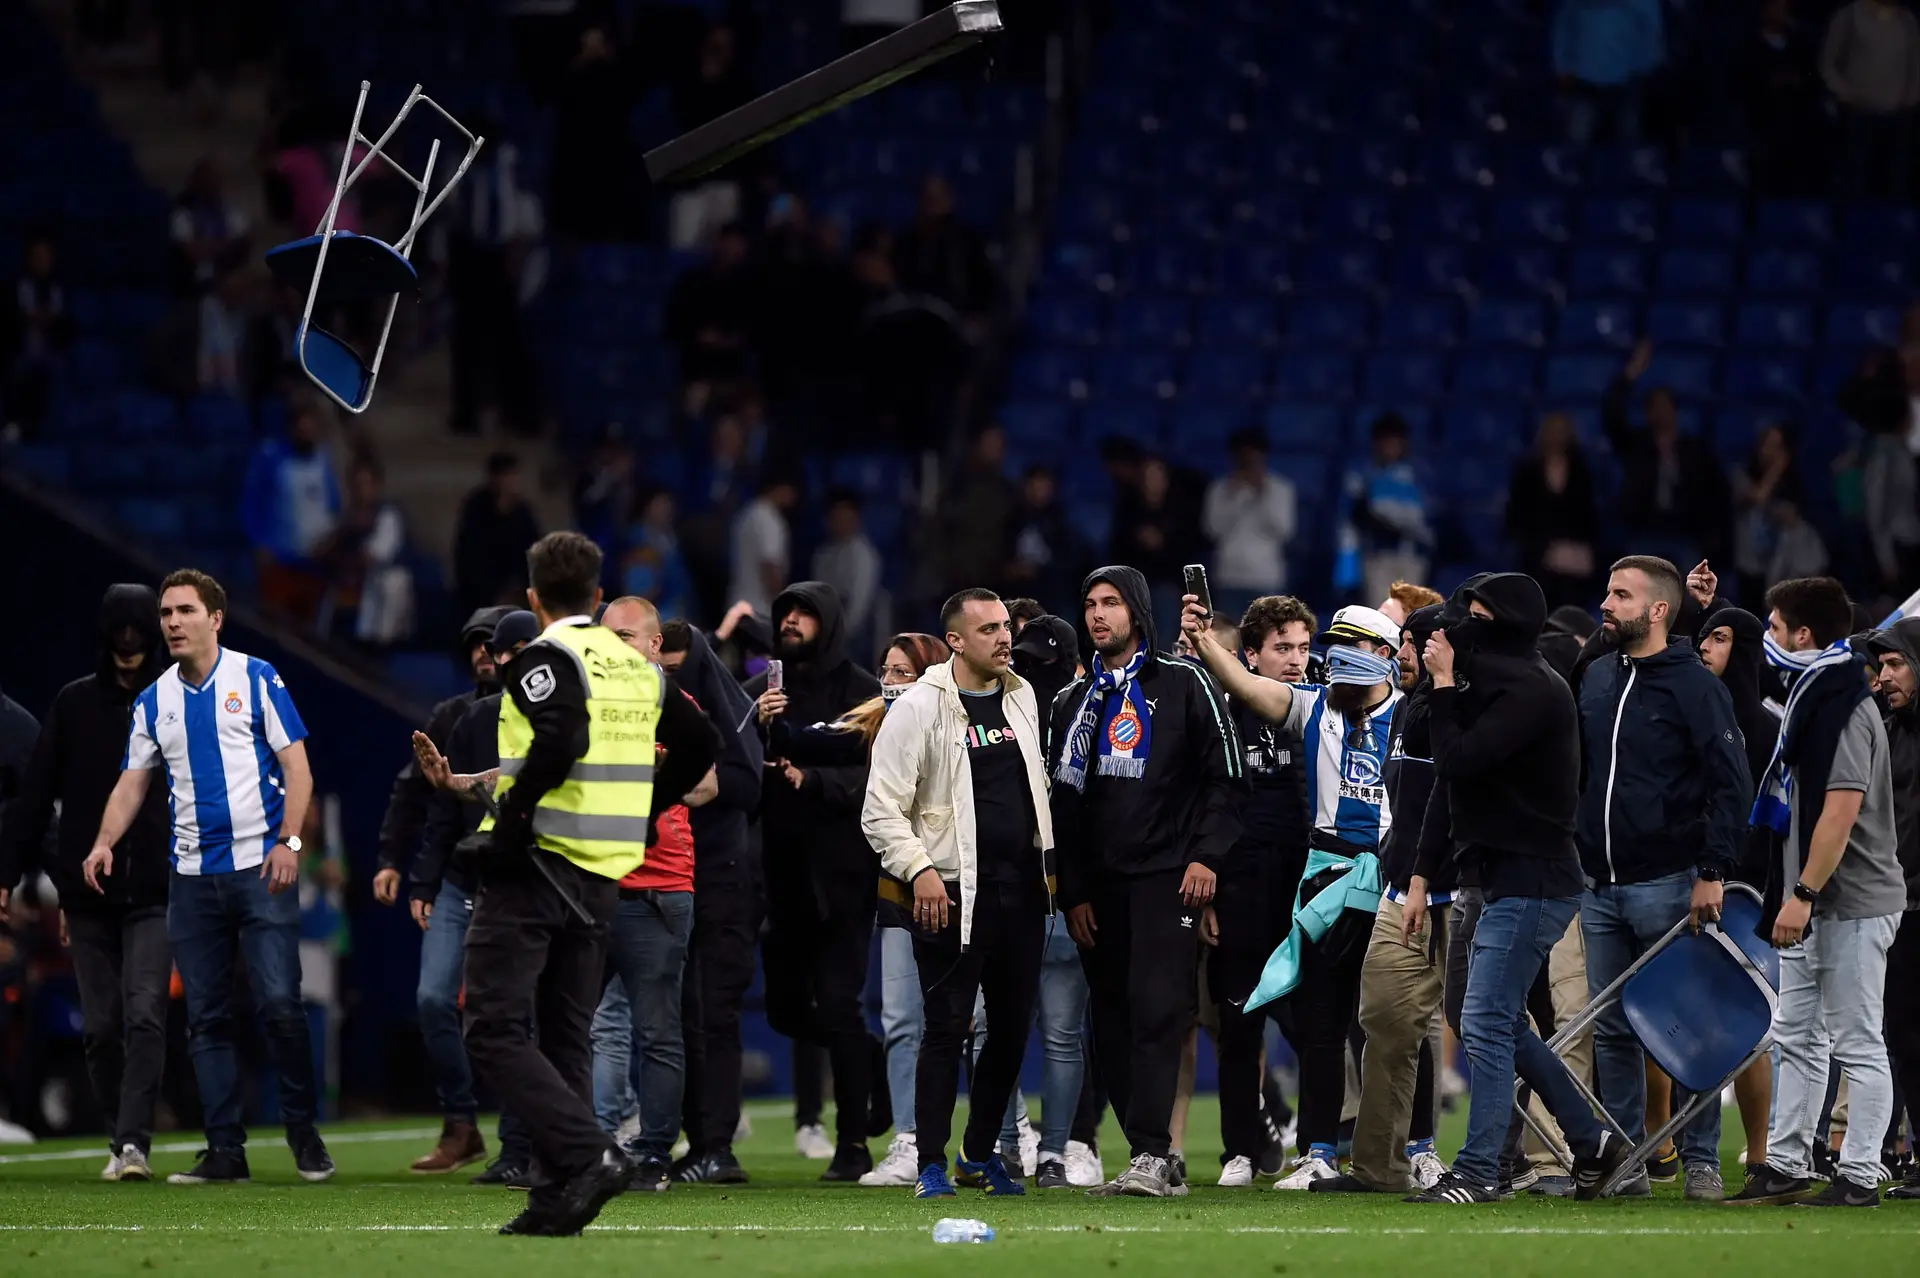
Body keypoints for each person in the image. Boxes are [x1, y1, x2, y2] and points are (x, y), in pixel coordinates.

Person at [451, 532, 719, 1235]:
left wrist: (509, 822)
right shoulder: (636, 668)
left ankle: (588, 1153)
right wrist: (649, 806)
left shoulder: (547, 656)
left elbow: (562, 732)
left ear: (533, 598)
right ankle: (556, 1192)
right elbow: (702, 743)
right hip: (605, 873)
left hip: (540, 863)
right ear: (599, 597)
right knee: (566, 1035)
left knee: (491, 1027)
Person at [83, 569, 333, 1185]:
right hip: (191, 880)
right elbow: (132, 782)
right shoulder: (154, 700)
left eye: (185, 611)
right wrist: (102, 842)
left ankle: (303, 1132)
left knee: (279, 1004)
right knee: (206, 1017)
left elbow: (298, 769)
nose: (171, 622)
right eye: (166, 612)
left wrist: (290, 842)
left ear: (215, 618)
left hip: (261, 868)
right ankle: (226, 1151)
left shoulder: (257, 677)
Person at [1404, 573, 1630, 1204]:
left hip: (1533, 877)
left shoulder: (1533, 688)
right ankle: (1594, 1144)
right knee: (1505, 1023)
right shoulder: (1493, 679)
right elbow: (1430, 747)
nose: (1457, 628)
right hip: (1500, 877)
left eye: (1473, 616)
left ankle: (1480, 1171)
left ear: (1502, 623)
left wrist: (1447, 683)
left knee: (1483, 1020)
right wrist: (1440, 686)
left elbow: (1457, 762)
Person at [1185, 601, 1402, 1189]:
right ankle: (1280, 1150)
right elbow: (1237, 691)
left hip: (1359, 881)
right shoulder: (1295, 710)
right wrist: (1205, 642)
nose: (1309, 659)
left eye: (1309, 647)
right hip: (1287, 884)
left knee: (1375, 1024)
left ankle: (1398, 1147)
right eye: (1289, 647)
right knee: (1278, 1020)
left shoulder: (1404, 715)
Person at [1054, 566, 1241, 1198]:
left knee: (1159, 1009)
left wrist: (1206, 858)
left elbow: (1226, 777)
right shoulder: (1072, 702)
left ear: (1137, 610)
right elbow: (1063, 808)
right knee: (1109, 1020)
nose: (1098, 615)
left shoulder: (1186, 682)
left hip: (1169, 878)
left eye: (1111, 603)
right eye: (1089, 604)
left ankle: (1156, 1152)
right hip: (1099, 890)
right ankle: (1145, 1154)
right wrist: (1073, 889)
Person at [863, 590, 1055, 1198]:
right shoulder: (918, 708)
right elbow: (879, 810)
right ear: (955, 641)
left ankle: (978, 1154)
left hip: (1022, 892)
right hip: (948, 894)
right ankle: (929, 1164)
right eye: (990, 629)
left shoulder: (1022, 695)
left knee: (1009, 1031)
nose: (1005, 638)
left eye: (1005, 626)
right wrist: (918, 868)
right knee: (946, 1029)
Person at [1574, 556, 1754, 1201]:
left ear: (1656, 610)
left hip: (1671, 881)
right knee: (1614, 1031)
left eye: (1621, 595)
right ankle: (1627, 1160)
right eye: (1607, 590)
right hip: (1598, 883)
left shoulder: (1696, 685)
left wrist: (1713, 871)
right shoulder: (1595, 676)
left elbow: (1733, 784)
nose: (1606, 603)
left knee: (1687, 1023)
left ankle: (1701, 1157)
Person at [1731, 577, 1907, 1207]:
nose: (1770, 641)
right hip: (1809, 898)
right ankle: (1786, 1162)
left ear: (1804, 635)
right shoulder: (1814, 697)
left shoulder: (1846, 708)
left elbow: (1839, 811)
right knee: (1795, 1032)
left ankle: (1860, 1174)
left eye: (1775, 628)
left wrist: (1801, 892)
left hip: (1849, 898)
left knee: (1857, 1037)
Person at [0, 585, 171, 1181]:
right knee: (101, 1028)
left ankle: (133, 1145)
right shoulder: (73, 706)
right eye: (118, 633)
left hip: (155, 888)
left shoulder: (177, 703)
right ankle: (117, 1137)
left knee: (146, 1014)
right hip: (89, 895)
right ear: (105, 637)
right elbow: (35, 794)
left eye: (137, 632)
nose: (128, 644)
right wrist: (9, 872)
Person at [1315, 603, 1453, 1195]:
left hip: (1456, 889)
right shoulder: (1404, 712)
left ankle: (1529, 1155)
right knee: (1381, 1022)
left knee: (1488, 1024)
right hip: (1401, 885)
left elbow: (1444, 800)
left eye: (1411, 644)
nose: (1404, 655)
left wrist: (1419, 876)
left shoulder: (1442, 707)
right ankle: (1378, 1165)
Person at [749, 582, 885, 1181]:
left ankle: (852, 1145)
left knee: (839, 1005)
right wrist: (759, 729)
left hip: (843, 877)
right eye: (785, 615)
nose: (792, 623)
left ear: (826, 621)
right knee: (783, 1012)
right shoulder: (763, 695)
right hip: (778, 877)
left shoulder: (862, 690)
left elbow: (875, 776)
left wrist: (815, 780)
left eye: (803, 614)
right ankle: (870, 1058)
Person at [591, 596, 719, 1192]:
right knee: (572, 1025)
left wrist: (640, 779)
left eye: (626, 637)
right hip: (591, 886)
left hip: (658, 888)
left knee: (656, 1032)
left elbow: (707, 786)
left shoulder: (676, 706)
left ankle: (651, 1157)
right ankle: (580, 1145)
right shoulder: (587, 704)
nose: (615, 646)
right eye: (606, 636)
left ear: (652, 646)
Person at [412, 610, 543, 1185]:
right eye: (497, 650)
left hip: (542, 878)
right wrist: (421, 878)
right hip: (478, 880)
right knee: (456, 1005)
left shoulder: (560, 714)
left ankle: (536, 1144)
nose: (500, 659)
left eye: (510, 650)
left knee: (525, 1017)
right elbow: (442, 806)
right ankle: (474, 1128)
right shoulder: (470, 718)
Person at [1207, 596, 1314, 1188]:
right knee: (1239, 1022)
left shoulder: (1328, 709)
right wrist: (1212, 893)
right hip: (1244, 882)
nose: (1296, 661)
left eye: (1302, 647)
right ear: (1250, 656)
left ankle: (1324, 1143)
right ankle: (1240, 1151)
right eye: (1282, 649)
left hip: (1309, 884)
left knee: (1315, 1023)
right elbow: (1212, 805)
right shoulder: (1225, 716)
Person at [656, 619, 766, 1186]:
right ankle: (688, 1140)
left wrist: (698, 782)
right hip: (670, 876)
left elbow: (749, 787)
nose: (668, 681)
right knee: (676, 1017)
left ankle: (716, 1146)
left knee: (713, 1014)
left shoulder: (728, 711)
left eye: (677, 671)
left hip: (722, 876)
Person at [1865, 621, 1920, 1198]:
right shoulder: (1882, 732)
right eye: (1881, 668)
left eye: (1896, 665)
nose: (1883, 679)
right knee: (1904, 1036)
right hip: (1901, 908)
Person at [1603, 341, 1732, 569]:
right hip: (1645, 527)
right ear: (1647, 413)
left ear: (1674, 411)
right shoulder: (1637, 444)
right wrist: (1631, 374)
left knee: (1688, 588)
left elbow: (1715, 491)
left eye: (1665, 406)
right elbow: (1611, 414)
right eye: (1655, 407)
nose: (1660, 412)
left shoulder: (1694, 449)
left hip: (1685, 530)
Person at [240, 401, 341, 625]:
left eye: (311, 426)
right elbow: (252, 504)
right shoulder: (271, 458)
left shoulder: (325, 461)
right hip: (280, 565)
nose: (306, 431)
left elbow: (335, 510)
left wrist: (331, 543)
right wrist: (259, 545)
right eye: (301, 426)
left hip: (316, 566)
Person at [1820, 0, 1920, 201]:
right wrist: (1846, 94)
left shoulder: (1908, 21)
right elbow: (1827, 63)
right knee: (1858, 184)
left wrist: (1911, 97)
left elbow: (1916, 63)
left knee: (1896, 185)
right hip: (1860, 115)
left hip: (1898, 117)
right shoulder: (1849, 16)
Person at [1506, 412, 1601, 610]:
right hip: (1538, 550)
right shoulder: (1527, 471)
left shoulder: (1581, 471)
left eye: (1561, 432)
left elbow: (1588, 516)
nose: (1557, 437)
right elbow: (1516, 517)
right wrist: (1546, 549)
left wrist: (1575, 549)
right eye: (1552, 432)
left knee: (1576, 582)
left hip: (1575, 551)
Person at [1336, 414, 1433, 607]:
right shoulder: (1362, 478)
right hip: (1376, 558)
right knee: (1380, 618)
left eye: (1394, 441)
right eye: (1384, 441)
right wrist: (1347, 572)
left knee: (1411, 617)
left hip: (1412, 558)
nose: (1389, 447)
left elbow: (1427, 522)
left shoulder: (1418, 477)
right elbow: (1350, 524)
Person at [1203, 427, 1298, 623]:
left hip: (1265, 577)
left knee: (1266, 638)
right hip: (1228, 576)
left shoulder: (1280, 490)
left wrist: (1262, 493)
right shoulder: (1219, 489)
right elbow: (1213, 529)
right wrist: (1235, 495)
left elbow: (1284, 530)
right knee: (1229, 639)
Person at [454, 453, 541, 616]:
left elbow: (534, 550)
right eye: (509, 476)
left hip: (518, 589)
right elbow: (470, 557)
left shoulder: (523, 513)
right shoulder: (475, 509)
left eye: (516, 475)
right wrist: (495, 593)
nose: (514, 481)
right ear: (496, 478)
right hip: (483, 590)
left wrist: (520, 587)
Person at [812, 490, 882, 649]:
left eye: (847, 517)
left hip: (854, 637)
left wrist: (840, 635)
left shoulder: (863, 555)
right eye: (837, 518)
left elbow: (859, 606)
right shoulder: (823, 555)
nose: (842, 523)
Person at [728, 471, 799, 621]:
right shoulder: (770, 520)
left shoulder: (745, 514)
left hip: (737, 606)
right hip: (760, 611)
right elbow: (770, 568)